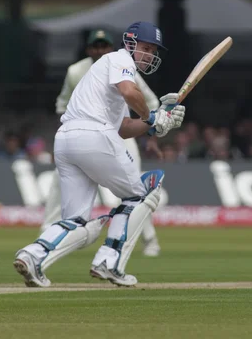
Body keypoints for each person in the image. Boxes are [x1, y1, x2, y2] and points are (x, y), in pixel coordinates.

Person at [13, 22, 186, 287]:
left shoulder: (107, 74)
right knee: (144, 192)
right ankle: (110, 263)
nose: (150, 55)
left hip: (67, 141)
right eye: (146, 48)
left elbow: (124, 129)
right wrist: (152, 115)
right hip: (93, 137)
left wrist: (157, 123)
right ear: (130, 43)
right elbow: (130, 93)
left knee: (77, 222)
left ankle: (32, 255)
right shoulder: (119, 59)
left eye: (154, 51)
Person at [42, 28, 163, 257]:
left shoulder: (124, 66)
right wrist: (153, 120)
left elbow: (143, 105)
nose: (100, 50)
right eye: (96, 46)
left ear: (110, 47)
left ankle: (39, 249)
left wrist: (152, 125)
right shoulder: (82, 69)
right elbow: (64, 104)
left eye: (104, 46)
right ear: (89, 49)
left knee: (122, 195)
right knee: (138, 194)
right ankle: (109, 260)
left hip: (100, 131)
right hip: (94, 131)